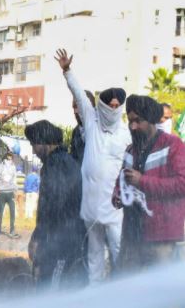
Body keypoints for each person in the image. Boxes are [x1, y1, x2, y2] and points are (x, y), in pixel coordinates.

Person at [112, 95, 185, 308]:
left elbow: (182, 184)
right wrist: (117, 196)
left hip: (161, 237)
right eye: (129, 120)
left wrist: (143, 182)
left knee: (157, 301)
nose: (133, 125)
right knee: (127, 294)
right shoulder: (131, 149)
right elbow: (122, 179)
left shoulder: (173, 146)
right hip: (133, 235)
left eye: (138, 120)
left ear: (152, 120)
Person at [56, 49, 131, 284]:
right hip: (90, 203)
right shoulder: (92, 122)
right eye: (110, 104)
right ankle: (95, 294)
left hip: (113, 206)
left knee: (118, 251)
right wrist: (67, 71)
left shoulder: (126, 134)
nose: (114, 108)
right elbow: (79, 95)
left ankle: (122, 293)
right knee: (94, 254)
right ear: (103, 106)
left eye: (118, 105)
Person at [24, 120, 90, 308]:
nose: (33, 150)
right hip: (64, 242)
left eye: (34, 144)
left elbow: (53, 206)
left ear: (43, 141)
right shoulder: (65, 162)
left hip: (63, 245)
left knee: (54, 302)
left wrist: (39, 238)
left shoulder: (57, 165)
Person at [0, 153, 19, 238]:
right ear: (5, 158)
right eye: (8, 158)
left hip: (11, 193)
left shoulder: (13, 167)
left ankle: (12, 231)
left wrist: (15, 190)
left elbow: (15, 180)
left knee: (12, 213)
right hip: (2, 193)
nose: (9, 159)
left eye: (11, 158)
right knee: (0, 213)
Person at [69, 90, 96, 165]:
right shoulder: (75, 132)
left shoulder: (102, 129)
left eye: (78, 106)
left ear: (91, 105)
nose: (75, 111)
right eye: (74, 107)